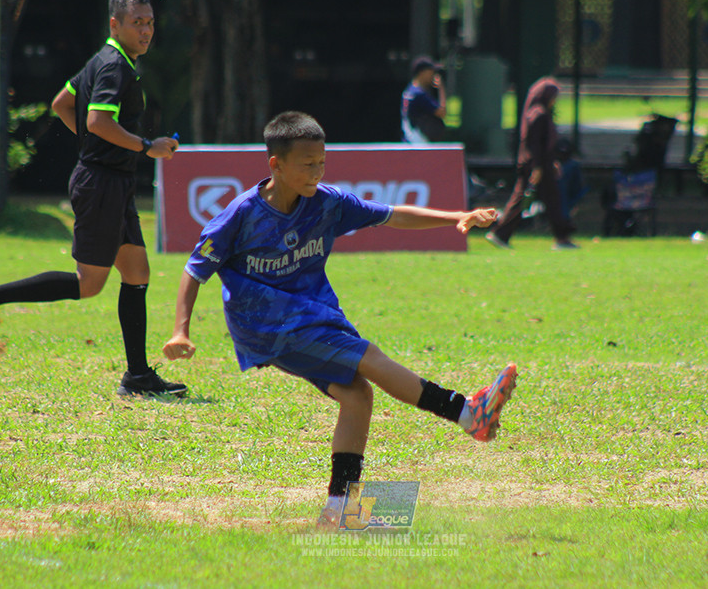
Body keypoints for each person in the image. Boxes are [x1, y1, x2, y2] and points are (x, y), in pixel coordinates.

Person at [161, 111, 518, 527]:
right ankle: (466, 412)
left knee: (357, 395)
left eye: (322, 162)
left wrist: (455, 216)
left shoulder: (328, 203)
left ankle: (340, 512)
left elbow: (392, 214)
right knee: (369, 356)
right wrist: (180, 330)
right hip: (268, 321)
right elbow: (194, 269)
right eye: (307, 164)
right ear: (275, 164)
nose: (316, 171)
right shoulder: (242, 214)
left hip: (307, 314)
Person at [0, 0, 186, 397]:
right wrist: (143, 146)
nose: (146, 30)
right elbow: (98, 120)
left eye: (150, 22)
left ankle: (137, 376)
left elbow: (62, 103)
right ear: (115, 24)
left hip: (111, 181)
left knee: (137, 273)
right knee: (89, 284)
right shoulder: (115, 66)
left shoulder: (106, 61)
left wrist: (96, 143)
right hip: (101, 184)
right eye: (137, 22)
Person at [485, 77, 577, 250]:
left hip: (542, 165)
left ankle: (501, 234)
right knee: (530, 200)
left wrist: (552, 162)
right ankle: (561, 238)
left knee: (537, 200)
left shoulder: (539, 113)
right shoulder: (538, 115)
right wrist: (537, 167)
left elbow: (544, 144)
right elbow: (534, 144)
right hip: (536, 167)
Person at [400, 56, 446, 144]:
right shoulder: (419, 94)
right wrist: (441, 87)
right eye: (431, 71)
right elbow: (442, 112)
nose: (433, 74)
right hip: (418, 141)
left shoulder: (409, 90)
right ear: (422, 72)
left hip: (409, 138)